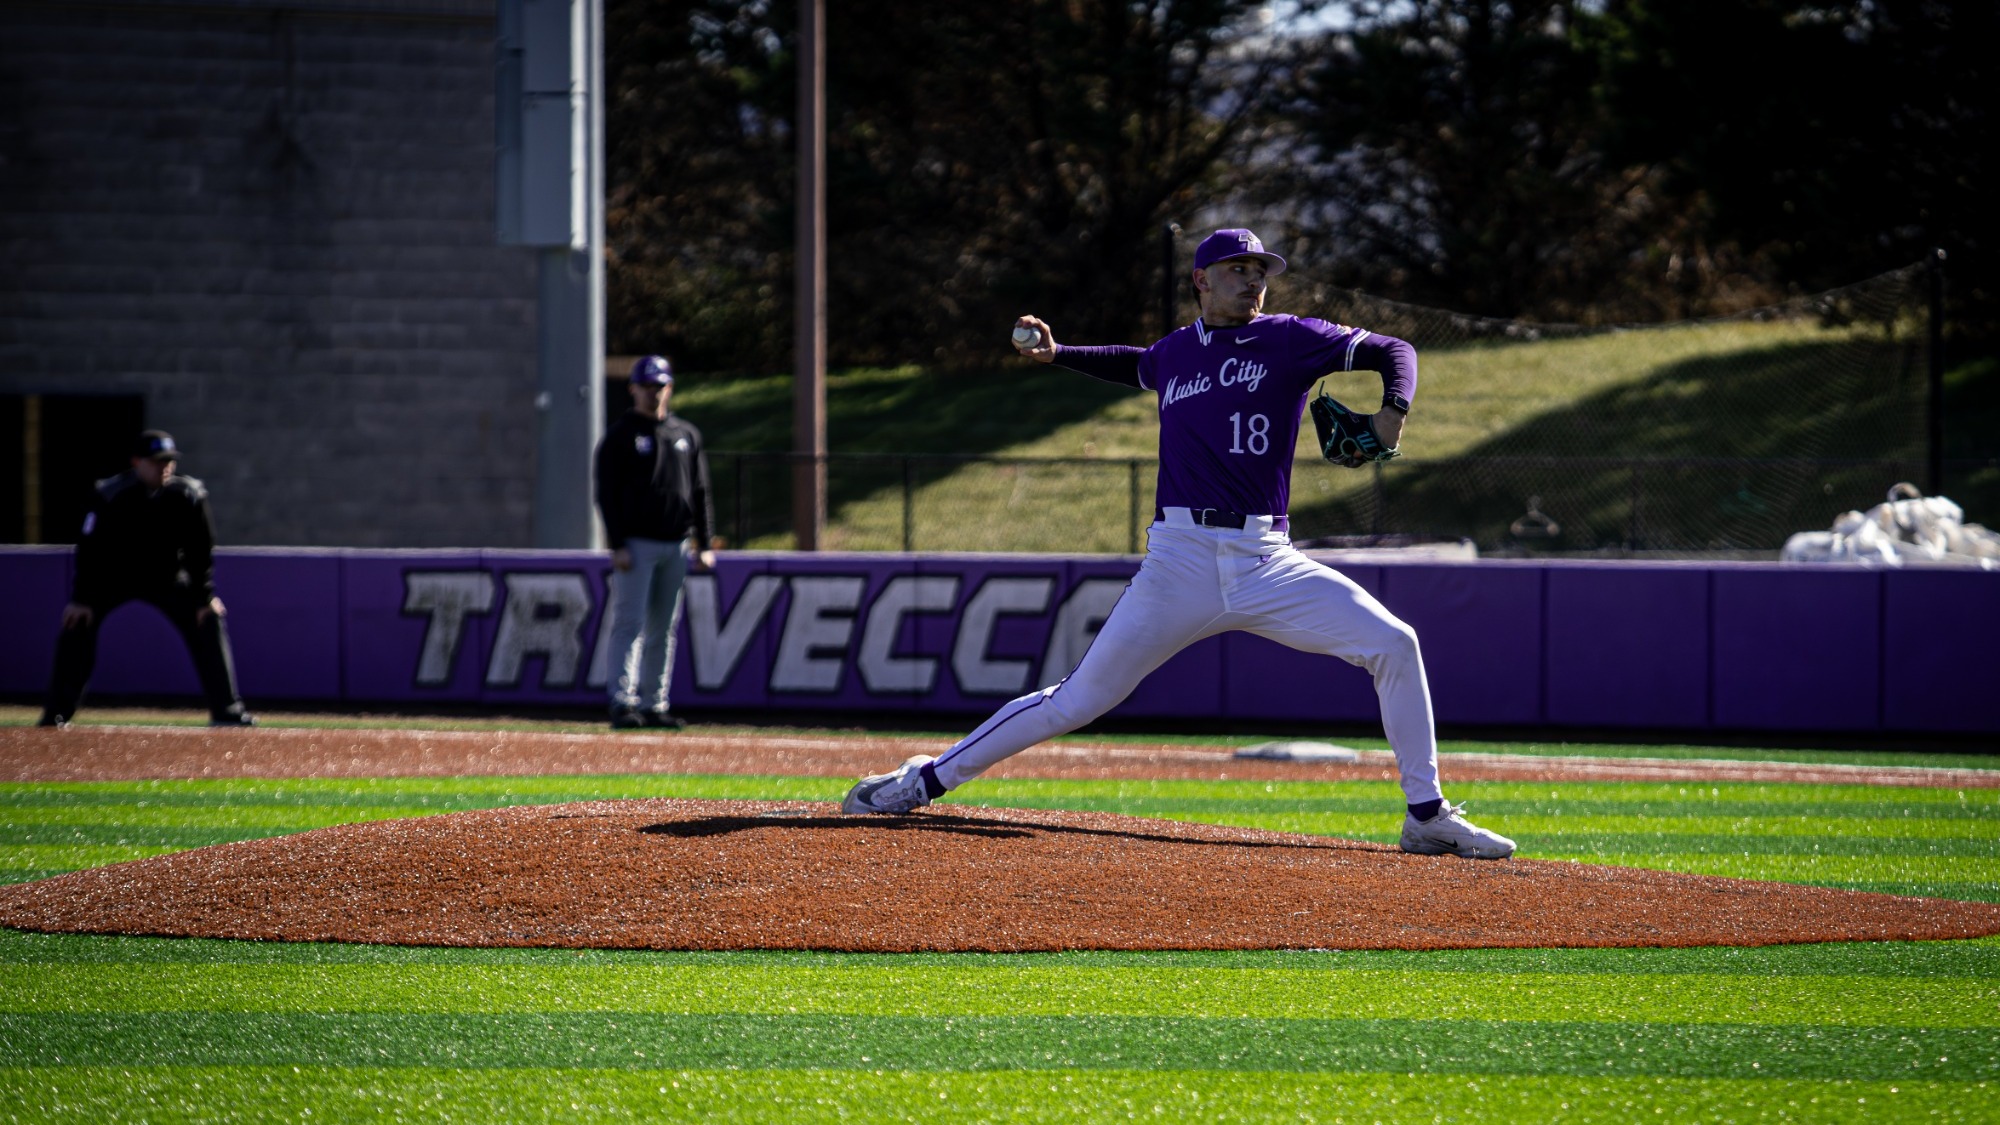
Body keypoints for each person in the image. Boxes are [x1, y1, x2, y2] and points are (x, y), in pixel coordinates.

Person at [841, 228, 1516, 859]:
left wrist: (1395, 409)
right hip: (1180, 562)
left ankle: (1425, 814)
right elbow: (1136, 364)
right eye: (1237, 270)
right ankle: (923, 780)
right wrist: (1058, 354)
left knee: (1394, 642)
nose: (1253, 281)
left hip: (1267, 560)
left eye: (1260, 271)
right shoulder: (1176, 351)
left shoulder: (1289, 338)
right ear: (1201, 280)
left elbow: (1396, 349)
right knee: (1078, 700)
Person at [39, 430, 254, 728]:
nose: (163, 467)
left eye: (168, 461)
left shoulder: (188, 495)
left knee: (209, 618)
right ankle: (56, 715)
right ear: (136, 462)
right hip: (113, 578)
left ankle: (227, 711)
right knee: (77, 622)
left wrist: (204, 596)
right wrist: (81, 598)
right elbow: (90, 550)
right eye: (155, 462)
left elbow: (200, 550)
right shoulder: (111, 494)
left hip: (166, 577)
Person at [594, 354, 716, 730]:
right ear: (633, 389)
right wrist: (617, 543)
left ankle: (654, 703)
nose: (653, 393)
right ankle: (622, 701)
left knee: (664, 628)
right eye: (646, 386)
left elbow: (699, 491)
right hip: (637, 544)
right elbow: (607, 494)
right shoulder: (620, 435)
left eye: (659, 386)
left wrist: (705, 542)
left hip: (676, 543)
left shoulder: (685, 434)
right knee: (630, 624)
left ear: (669, 388)